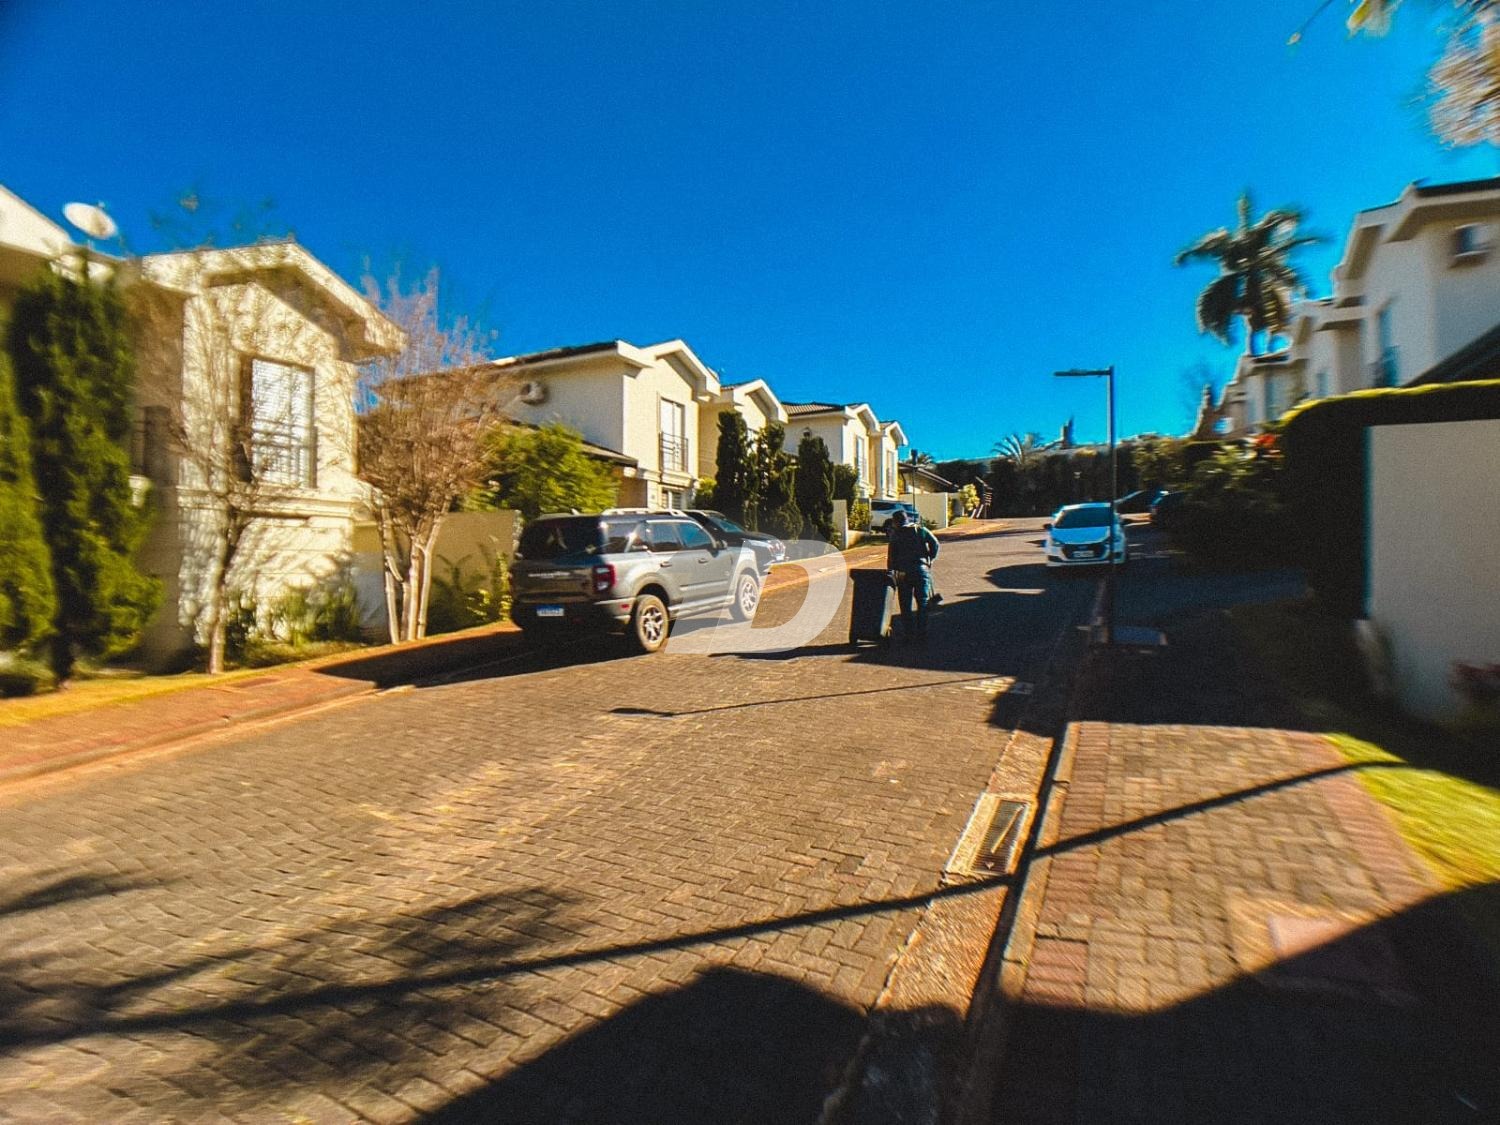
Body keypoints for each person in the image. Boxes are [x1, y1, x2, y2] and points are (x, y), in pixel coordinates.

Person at [886, 509, 940, 641]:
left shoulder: (895, 535)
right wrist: (930, 558)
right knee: (923, 602)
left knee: (905, 604)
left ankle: (909, 633)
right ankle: (922, 632)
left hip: (903, 572)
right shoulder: (920, 530)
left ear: (895, 522)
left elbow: (891, 557)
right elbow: (935, 543)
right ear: (907, 519)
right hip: (921, 570)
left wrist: (891, 572)